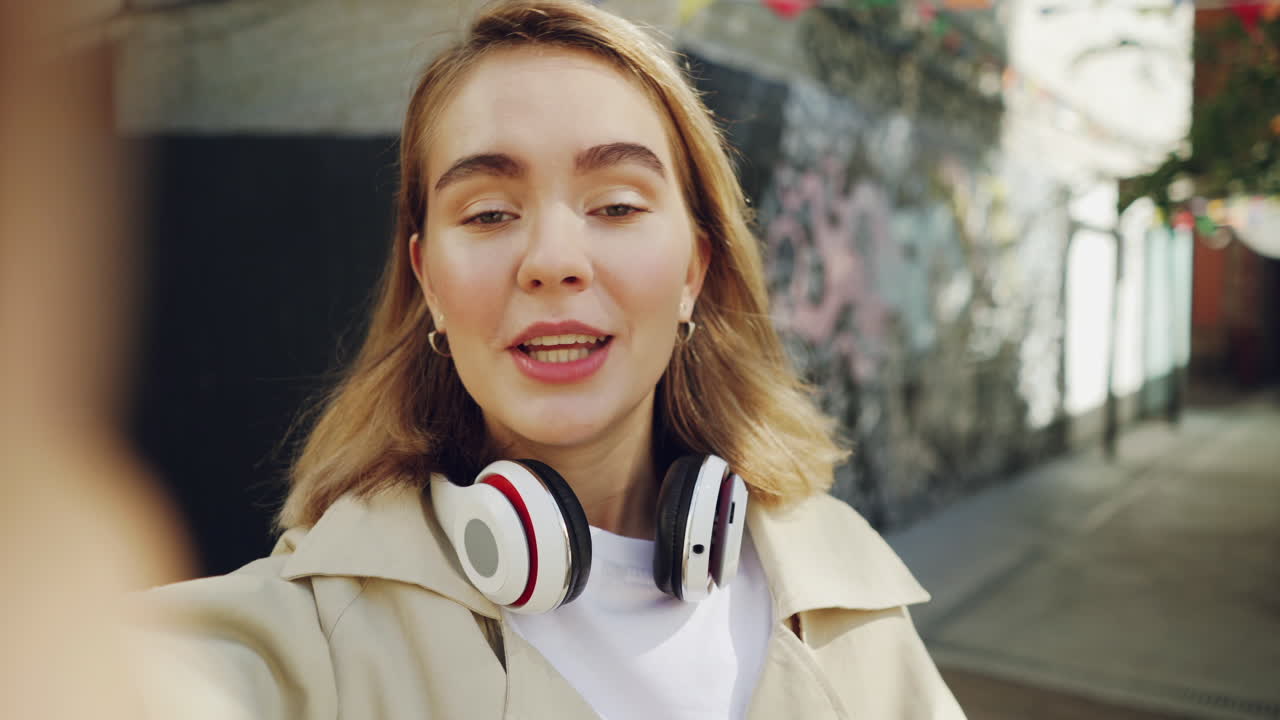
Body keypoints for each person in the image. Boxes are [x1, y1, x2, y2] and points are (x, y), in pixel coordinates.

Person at [133, 1, 966, 718]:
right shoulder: (314, 636)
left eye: (615, 204)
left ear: (692, 273)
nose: (552, 259)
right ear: (427, 281)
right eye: (490, 213)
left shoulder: (842, 593)